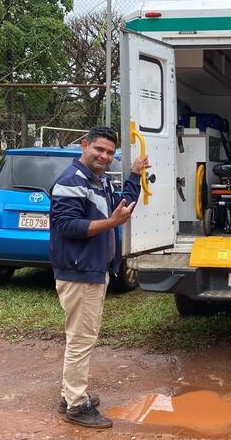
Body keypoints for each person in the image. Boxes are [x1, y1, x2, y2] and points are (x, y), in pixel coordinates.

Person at [49, 126, 150, 428]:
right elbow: (67, 226)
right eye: (100, 150)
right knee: (81, 339)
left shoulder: (99, 180)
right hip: (79, 273)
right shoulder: (70, 182)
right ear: (84, 146)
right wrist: (110, 223)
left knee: (81, 337)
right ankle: (76, 406)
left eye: (110, 152)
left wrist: (134, 176)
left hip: (93, 270)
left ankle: (71, 395)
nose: (105, 156)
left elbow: (120, 206)